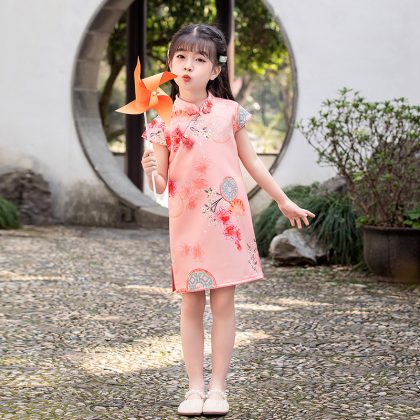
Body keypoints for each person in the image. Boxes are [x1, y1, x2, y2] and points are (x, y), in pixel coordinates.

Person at [140, 23, 315, 417]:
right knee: (190, 305)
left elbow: (252, 163)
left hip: (227, 222)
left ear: (215, 70)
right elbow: (161, 183)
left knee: (223, 304)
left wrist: (283, 200)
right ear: (169, 65)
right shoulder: (161, 118)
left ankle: (218, 388)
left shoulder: (230, 113)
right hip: (187, 227)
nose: (188, 65)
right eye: (180, 57)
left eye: (199, 59)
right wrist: (151, 168)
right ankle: (194, 388)